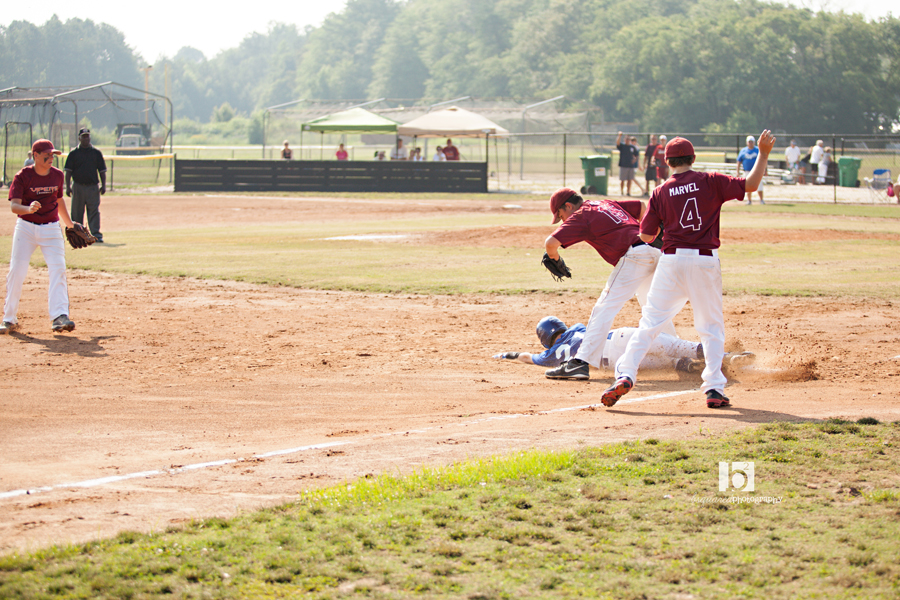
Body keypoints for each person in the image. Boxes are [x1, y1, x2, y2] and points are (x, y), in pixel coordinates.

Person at [602, 131, 775, 409]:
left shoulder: (660, 191)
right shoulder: (711, 180)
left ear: (667, 162)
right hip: (704, 261)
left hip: (671, 261)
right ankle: (714, 387)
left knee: (650, 323)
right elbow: (751, 185)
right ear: (693, 159)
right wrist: (763, 153)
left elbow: (646, 236)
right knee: (710, 327)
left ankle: (626, 374)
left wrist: (663, 224)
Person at [541, 188, 676, 380]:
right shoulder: (605, 204)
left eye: (561, 216)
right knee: (654, 308)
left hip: (635, 257)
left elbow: (550, 243)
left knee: (604, 307)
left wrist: (554, 258)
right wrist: (649, 230)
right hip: (654, 252)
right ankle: (679, 354)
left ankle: (581, 362)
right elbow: (641, 207)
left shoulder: (581, 215)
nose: (563, 221)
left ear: (568, 206)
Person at [494, 317, 755, 375]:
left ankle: (689, 367)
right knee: (678, 346)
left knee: (667, 363)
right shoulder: (576, 329)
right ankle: (725, 357)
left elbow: (527, 357)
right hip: (621, 337)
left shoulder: (551, 355)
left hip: (615, 363)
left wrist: (507, 355)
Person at [1, 139, 78, 335]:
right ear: (35, 155)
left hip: (51, 228)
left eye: (53, 155)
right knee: (17, 271)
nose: (51, 158)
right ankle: (9, 319)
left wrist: (70, 224)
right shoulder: (22, 176)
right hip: (25, 228)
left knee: (58, 268)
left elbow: (58, 200)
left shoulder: (57, 175)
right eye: (47, 155)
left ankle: (59, 316)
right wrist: (28, 209)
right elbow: (14, 206)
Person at [64, 128, 106, 243]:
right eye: (83, 136)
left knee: (94, 211)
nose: (86, 138)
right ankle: (77, 236)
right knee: (76, 212)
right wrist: (67, 186)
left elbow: (102, 171)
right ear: (79, 138)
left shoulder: (96, 153)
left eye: (87, 136)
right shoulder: (74, 153)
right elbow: (68, 171)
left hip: (92, 187)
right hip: (78, 186)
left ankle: (96, 234)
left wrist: (104, 185)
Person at [737, 135, 764, 204]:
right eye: (749, 142)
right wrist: (738, 171)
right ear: (747, 142)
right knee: (747, 186)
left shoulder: (758, 150)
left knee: (759, 186)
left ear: (754, 142)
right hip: (747, 171)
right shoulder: (743, 151)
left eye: (752, 142)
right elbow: (739, 161)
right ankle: (749, 200)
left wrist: (764, 170)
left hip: (757, 171)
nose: (750, 143)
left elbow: (763, 160)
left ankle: (761, 200)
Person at [616, 132, 644, 196]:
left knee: (630, 180)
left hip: (630, 166)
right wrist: (619, 136)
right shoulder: (622, 146)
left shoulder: (632, 147)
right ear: (624, 139)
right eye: (626, 139)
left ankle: (628, 192)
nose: (627, 140)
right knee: (622, 180)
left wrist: (635, 160)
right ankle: (622, 191)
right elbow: (617, 143)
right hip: (623, 165)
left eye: (628, 139)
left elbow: (636, 155)